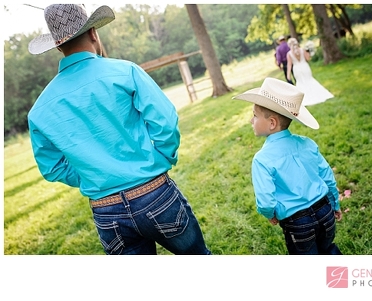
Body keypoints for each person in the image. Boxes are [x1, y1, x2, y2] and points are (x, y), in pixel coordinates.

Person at [27, 4, 210, 255]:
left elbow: (52, 167)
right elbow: (165, 121)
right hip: (154, 192)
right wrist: (164, 156)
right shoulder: (125, 71)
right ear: (93, 32)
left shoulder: (39, 110)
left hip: (106, 210)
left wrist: (89, 176)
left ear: (58, 46)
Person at [233, 77, 342, 255]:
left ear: (272, 123)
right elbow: (327, 177)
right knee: (328, 248)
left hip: (298, 224)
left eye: (254, 115)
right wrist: (334, 203)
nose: (250, 121)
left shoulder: (262, 160)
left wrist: (271, 214)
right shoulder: (307, 143)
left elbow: (266, 201)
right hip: (325, 211)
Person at [286, 38, 334, 106]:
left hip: (297, 69)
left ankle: (302, 98)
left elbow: (289, 65)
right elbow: (308, 59)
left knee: (300, 83)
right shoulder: (303, 50)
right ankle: (316, 94)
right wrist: (309, 53)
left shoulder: (289, 54)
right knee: (309, 80)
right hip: (305, 67)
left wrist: (288, 76)